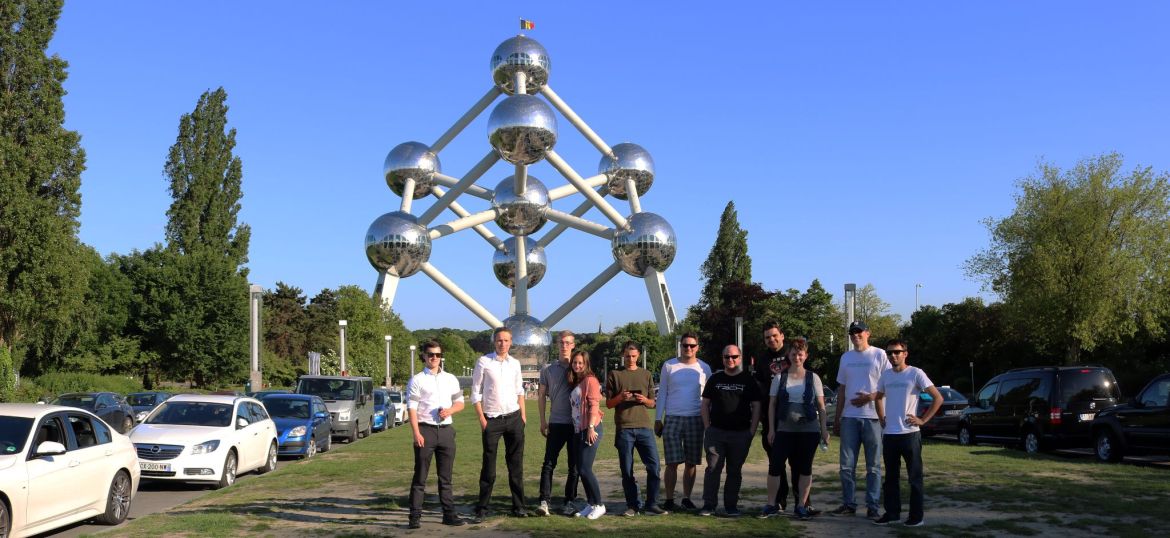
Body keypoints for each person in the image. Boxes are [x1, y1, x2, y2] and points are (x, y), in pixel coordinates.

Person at [872, 340, 942, 527]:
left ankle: (916, 517)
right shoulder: (885, 375)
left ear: (905, 353)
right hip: (890, 434)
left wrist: (923, 420)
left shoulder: (915, 373)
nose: (893, 356)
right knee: (891, 479)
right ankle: (892, 513)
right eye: (890, 353)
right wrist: (881, 417)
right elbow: (878, 397)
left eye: (897, 352)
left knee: (914, 478)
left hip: (910, 434)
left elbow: (938, 397)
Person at [831, 321, 891, 519]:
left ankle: (872, 505)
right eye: (852, 332)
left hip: (873, 417)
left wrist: (870, 397)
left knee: (873, 466)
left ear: (868, 333)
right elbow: (841, 389)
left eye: (859, 331)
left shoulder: (880, 354)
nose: (855, 335)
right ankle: (849, 503)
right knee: (846, 466)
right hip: (849, 417)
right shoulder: (845, 357)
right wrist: (838, 418)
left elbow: (888, 384)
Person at [765, 338, 829, 520]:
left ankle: (801, 505)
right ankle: (771, 504)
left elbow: (821, 405)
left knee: (804, 468)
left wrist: (824, 430)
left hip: (808, 430)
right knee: (775, 466)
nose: (797, 357)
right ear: (789, 355)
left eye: (800, 354)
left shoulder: (813, 377)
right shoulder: (780, 377)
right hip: (784, 429)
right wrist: (771, 429)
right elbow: (772, 404)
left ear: (806, 356)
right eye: (793, 354)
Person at [406, 340, 467, 529]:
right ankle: (415, 517)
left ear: (441, 357)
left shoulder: (450, 378)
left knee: (446, 477)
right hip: (426, 430)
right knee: (420, 477)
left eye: (438, 355)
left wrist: (449, 411)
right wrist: (416, 433)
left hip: (446, 431)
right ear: (424, 356)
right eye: (431, 354)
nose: (434, 358)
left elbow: (460, 403)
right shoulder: (417, 380)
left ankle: (449, 514)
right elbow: (412, 408)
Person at [471, 327, 528, 522]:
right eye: (499, 340)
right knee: (489, 467)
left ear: (511, 342)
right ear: (494, 342)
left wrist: (523, 416)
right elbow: (476, 392)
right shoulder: (484, 362)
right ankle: (482, 507)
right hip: (492, 420)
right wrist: (481, 418)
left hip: (514, 418)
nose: (502, 343)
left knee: (516, 465)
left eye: (506, 340)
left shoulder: (515, 364)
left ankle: (519, 506)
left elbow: (519, 390)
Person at [698, 344, 762, 518]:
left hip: (741, 434)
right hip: (716, 433)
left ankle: (731, 506)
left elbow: (756, 406)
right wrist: (707, 427)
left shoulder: (748, 380)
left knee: (734, 471)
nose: (730, 360)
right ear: (723, 359)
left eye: (734, 357)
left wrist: (751, 430)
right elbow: (705, 404)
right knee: (712, 469)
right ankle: (709, 505)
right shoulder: (715, 379)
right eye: (727, 357)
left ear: (740, 358)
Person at [606, 341, 667, 516]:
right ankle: (633, 505)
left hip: (644, 428)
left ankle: (652, 503)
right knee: (627, 470)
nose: (630, 359)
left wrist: (643, 400)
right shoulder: (615, 374)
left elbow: (652, 402)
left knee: (654, 466)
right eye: (627, 356)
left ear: (638, 355)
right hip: (624, 428)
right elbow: (609, 404)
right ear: (623, 356)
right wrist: (621, 397)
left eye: (633, 356)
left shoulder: (646, 374)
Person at [655, 332, 711, 512]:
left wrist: (708, 420)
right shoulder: (669, 365)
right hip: (672, 417)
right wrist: (658, 418)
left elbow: (709, 397)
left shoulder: (704, 368)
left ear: (697, 347)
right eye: (685, 345)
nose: (688, 348)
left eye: (692, 345)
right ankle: (670, 499)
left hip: (696, 418)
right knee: (672, 462)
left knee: (691, 462)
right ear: (680, 346)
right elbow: (662, 392)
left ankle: (686, 498)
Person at [752, 322, 800, 511]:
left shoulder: (793, 353)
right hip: (772, 419)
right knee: (776, 464)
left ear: (782, 335)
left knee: (798, 463)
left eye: (774, 335)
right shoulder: (763, 360)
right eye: (767, 337)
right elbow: (760, 390)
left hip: (795, 417)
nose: (771, 340)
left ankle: (802, 501)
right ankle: (780, 500)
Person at [537, 330, 580, 516]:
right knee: (548, 463)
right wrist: (542, 420)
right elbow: (541, 396)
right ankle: (544, 501)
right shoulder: (548, 369)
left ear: (573, 345)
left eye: (568, 343)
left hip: (576, 424)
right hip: (556, 422)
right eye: (561, 342)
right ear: (557, 344)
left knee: (574, 466)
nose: (564, 346)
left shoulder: (579, 367)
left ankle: (569, 501)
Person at [568, 350, 606, 520]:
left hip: (590, 429)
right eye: (575, 362)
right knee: (581, 469)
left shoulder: (590, 380)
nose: (577, 365)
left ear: (586, 364)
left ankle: (599, 504)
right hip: (579, 430)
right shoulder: (579, 381)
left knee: (585, 468)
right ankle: (591, 504)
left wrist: (590, 427)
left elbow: (594, 405)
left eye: (580, 363)